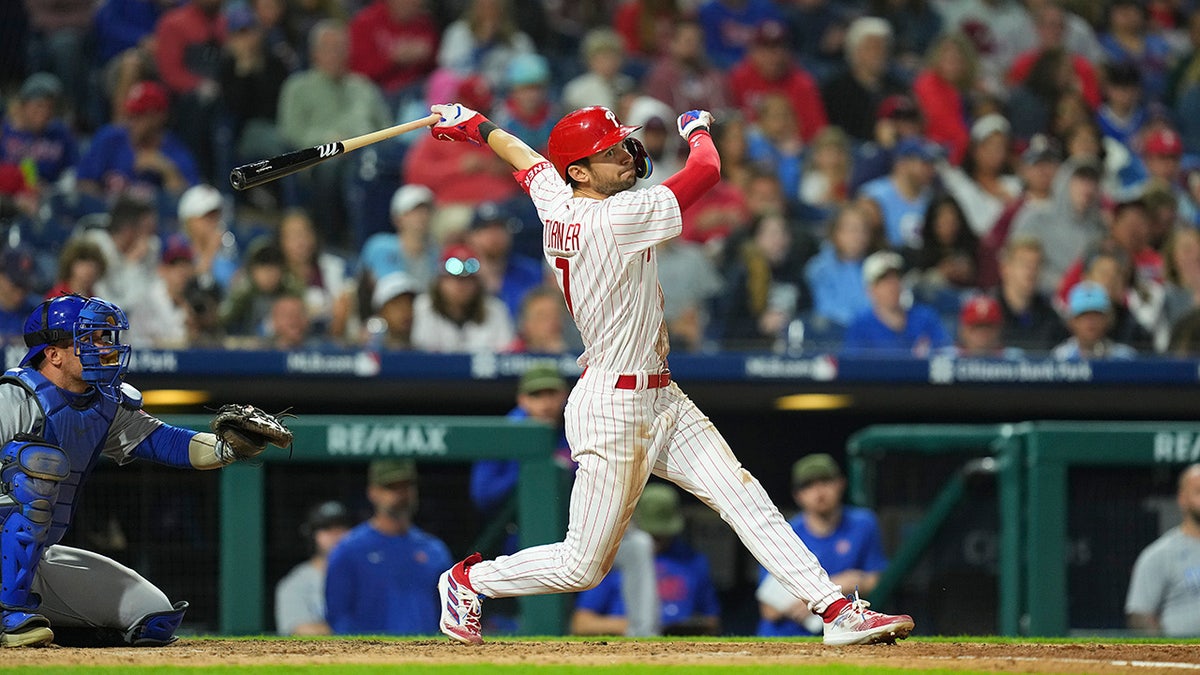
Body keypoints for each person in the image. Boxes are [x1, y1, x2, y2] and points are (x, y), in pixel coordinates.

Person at [426, 101, 914, 646]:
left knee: (742, 496)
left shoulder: (558, 197)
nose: (624, 154)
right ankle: (470, 580)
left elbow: (526, 160)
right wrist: (698, 129)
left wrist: (474, 125)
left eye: (619, 143)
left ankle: (836, 610)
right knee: (582, 567)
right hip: (612, 404)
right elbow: (705, 171)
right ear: (581, 173)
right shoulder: (614, 217)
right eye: (607, 152)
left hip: (661, 395)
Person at [0, 293, 291, 647]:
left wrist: (226, 447)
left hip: (27, 564)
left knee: (150, 612)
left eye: (104, 338)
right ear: (53, 354)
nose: (104, 348)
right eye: (89, 339)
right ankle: (8, 616)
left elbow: (164, 441)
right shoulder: (12, 398)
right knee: (32, 470)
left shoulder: (102, 405)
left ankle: (34, 624)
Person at [469, 364, 661, 636]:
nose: (545, 403)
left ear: (564, 395)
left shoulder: (576, 425)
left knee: (637, 545)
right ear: (522, 399)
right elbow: (482, 496)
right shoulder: (506, 433)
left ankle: (645, 635)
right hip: (518, 534)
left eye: (551, 394)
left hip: (575, 530)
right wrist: (534, 471)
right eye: (537, 395)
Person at [758, 454, 888, 637]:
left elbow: (877, 580)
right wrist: (835, 588)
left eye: (825, 481)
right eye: (808, 485)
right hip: (787, 635)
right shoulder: (785, 533)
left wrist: (832, 588)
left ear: (841, 484)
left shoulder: (863, 524)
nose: (819, 492)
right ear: (798, 495)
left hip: (843, 632)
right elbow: (768, 609)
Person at [571, 483, 720, 637]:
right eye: (652, 533)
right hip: (629, 645)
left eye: (663, 533)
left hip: (679, 647)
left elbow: (711, 620)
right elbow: (581, 623)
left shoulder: (693, 561)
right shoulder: (618, 561)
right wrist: (637, 626)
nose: (657, 539)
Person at [324, 460, 453, 635]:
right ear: (372, 492)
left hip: (426, 656)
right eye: (391, 487)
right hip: (370, 657)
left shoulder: (435, 550)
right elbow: (338, 616)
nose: (401, 494)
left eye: (406, 486)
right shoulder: (349, 550)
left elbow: (449, 614)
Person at [1125, 463, 1200, 637]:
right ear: (1182, 499)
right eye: (1199, 492)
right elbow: (1139, 614)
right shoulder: (1160, 554)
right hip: (1181, 657)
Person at [842, 249, 951, 357]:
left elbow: (946, 356)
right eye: (884, 280)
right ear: (870, 290)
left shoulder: (925, 318)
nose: (892, 285)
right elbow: (853, 368)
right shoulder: (861, 326)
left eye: (896, 278)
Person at [411, 242, 515, 353]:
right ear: (440, 281)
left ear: (477, 283)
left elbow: (506, 355)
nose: (460, 285)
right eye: (453, 278)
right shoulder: (422, 306)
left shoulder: (496, 309)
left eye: (468, 279)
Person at [275, 500, 354, 635]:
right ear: (312, 535)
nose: (336, 535)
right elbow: (302, 632)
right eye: (327, 529)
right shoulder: (295, 583)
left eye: (342, 527)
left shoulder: (369, 574)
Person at [1051, 280, 1138, 360]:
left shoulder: (1125, 357)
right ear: (1072, 321)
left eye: (1096, 314)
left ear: (1108, 319)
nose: (1091, 321)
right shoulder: (1060, 358)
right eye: (1083, 315)